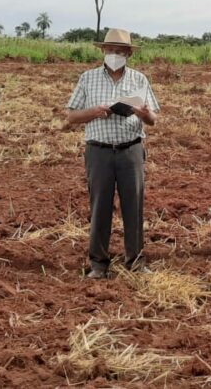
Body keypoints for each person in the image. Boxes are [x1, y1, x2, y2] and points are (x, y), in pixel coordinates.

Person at [65, 28, 160, 279]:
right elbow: (71, 116)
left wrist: (143, 113)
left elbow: (153, 119)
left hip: (131, 150)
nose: (114, 54)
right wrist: (96, 111)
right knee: (100, 207)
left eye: (119, 51)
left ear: (129, 53)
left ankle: (136, 261)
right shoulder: (88, 78)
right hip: (99, 151)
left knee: (134, 206)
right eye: (110, 50)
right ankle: (98, 263)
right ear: (102, 51)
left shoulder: (139, 79)